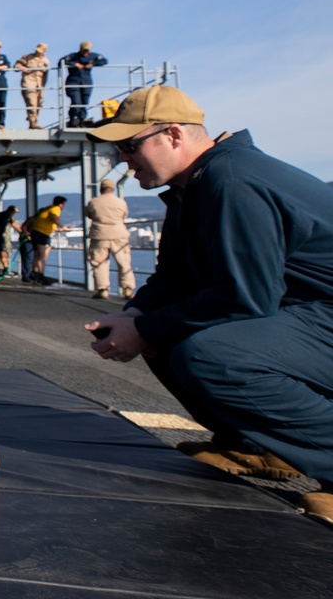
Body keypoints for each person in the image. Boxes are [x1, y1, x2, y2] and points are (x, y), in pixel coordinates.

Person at [84, 85, 333, 523]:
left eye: (129, 146)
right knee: (161, 332)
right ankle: (255, 446)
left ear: (174, 135)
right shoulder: (195, 184)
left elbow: (246, 298)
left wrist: (145, 328)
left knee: (215, 356)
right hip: (308, 314)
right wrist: (134, 318)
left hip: (323, 315)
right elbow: (174, 277)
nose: (123, 159)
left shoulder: (232, 181)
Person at [85, 178, 134, 300]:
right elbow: (124, 215)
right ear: (112, 189)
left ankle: (102, 289)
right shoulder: (120, 202)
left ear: (101, 189)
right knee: (124, 262)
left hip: (99, 235)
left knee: (99, 262)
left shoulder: (93, 202)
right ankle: (127, 289)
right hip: (119, 234)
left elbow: (89, 214)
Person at [61, 41, 107, 127]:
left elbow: (104, 61)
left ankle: (81, 120)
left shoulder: (93, 56)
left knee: (84, 102)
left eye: (87, 50)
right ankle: (72, 120)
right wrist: (74, 64)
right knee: (76, 102)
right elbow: (61, 61)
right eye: (84, 50)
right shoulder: (73, 56)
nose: (86, 52)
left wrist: (93, 64)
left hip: (86, 81)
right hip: (73, 81)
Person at [27, 196, 68, 285]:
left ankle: (35, 275)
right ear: (61, 204)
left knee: (37, 256)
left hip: (36, 232)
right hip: (41, 234)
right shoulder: (55, 208)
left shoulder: (48, 208)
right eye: (64, 204)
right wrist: (63, 227)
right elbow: (54, 218)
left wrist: (57, 229)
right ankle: (41, 276)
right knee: (42, 257)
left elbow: (47, 222)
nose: (64, 206)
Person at [15, 43, 50, 130]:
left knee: (40, 103)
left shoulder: (46, 61)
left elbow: (46, 75)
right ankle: (32, 122)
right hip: (28, 83)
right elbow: (16, 66)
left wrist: (43, 86)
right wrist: (21, 67)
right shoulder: (28, 56)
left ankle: (32, 117)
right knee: (32, 103)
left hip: (39, 85)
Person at [0, 205, 20, 277]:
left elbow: (15, 225)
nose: (13, 214)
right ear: (9, 211)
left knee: (3, 252)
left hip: (1, 237)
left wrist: (22, 232)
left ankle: (6, 269)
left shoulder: (10, 218)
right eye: (13, 212)